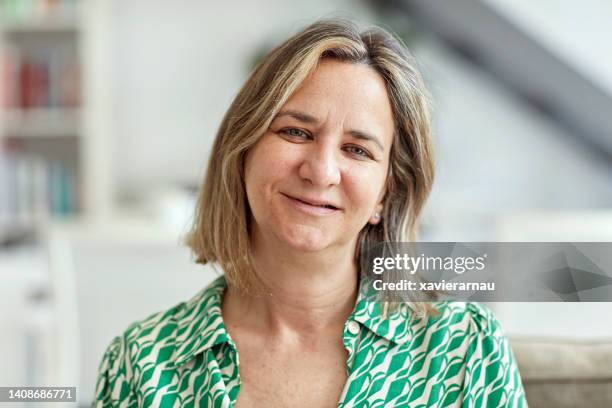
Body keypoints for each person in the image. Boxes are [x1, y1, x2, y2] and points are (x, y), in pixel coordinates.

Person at [94, 19, 527, 407]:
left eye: (357, 149)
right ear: (243, 151)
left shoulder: (466, 350)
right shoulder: (142, 363)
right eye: (296, 132)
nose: (321, 170)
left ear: (385, 193)